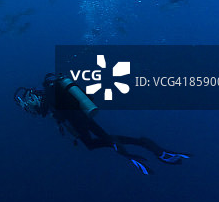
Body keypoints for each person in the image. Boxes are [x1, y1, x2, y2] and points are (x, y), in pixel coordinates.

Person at [15, 73, 190, 174]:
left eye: (29, 104)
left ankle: (134, 150)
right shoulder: (51, 92)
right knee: (101, 139)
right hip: (80, 117)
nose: (31, 109)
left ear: (33, 96)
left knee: (97, 142)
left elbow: (52, 110)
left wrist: (54, 114)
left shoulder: (49, 93)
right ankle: (142, 145)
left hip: (78, 118)